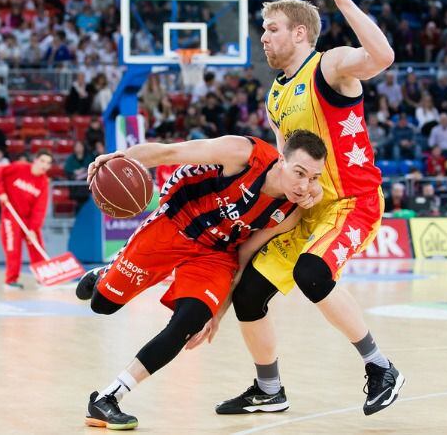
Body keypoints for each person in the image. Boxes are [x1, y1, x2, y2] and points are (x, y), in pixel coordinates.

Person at [213, 0, 404, 418]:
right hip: (308, 210)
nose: (263, 37)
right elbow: (285, 165)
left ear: (300, 33)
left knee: (312, 272)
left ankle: (381, 366)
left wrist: (344, 2)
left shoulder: (330, 66)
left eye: (271, 28)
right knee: (248, 294)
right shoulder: (274, 97)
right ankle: (269, 389)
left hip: (353, 202)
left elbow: (383, 57)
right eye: (263, 29)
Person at [77, 132, 327, 429]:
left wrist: (217, 313)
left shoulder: (291, 212)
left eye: (313, 178)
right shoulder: (242, 152)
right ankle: (105, 274)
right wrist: (117, 158)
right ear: (282, 160)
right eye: (299, 173)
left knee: (190, 321)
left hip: (217, 254)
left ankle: (107, 398)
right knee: (102, 305)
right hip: (177, 221)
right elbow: (166, 154)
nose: (304, 186)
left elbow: (245, 253)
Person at [0, 150, 53, 288]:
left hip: (28, 219)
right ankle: (11, 281)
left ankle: (42, 278)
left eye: (48, 163)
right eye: (42, 161)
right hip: (10, 215)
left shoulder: (43, 182)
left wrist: (33, 229)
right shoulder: (19, 167)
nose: (44, 165)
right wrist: (0, 192)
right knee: (13, 248)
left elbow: (39, 209)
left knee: (36, 245)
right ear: (35, 160)